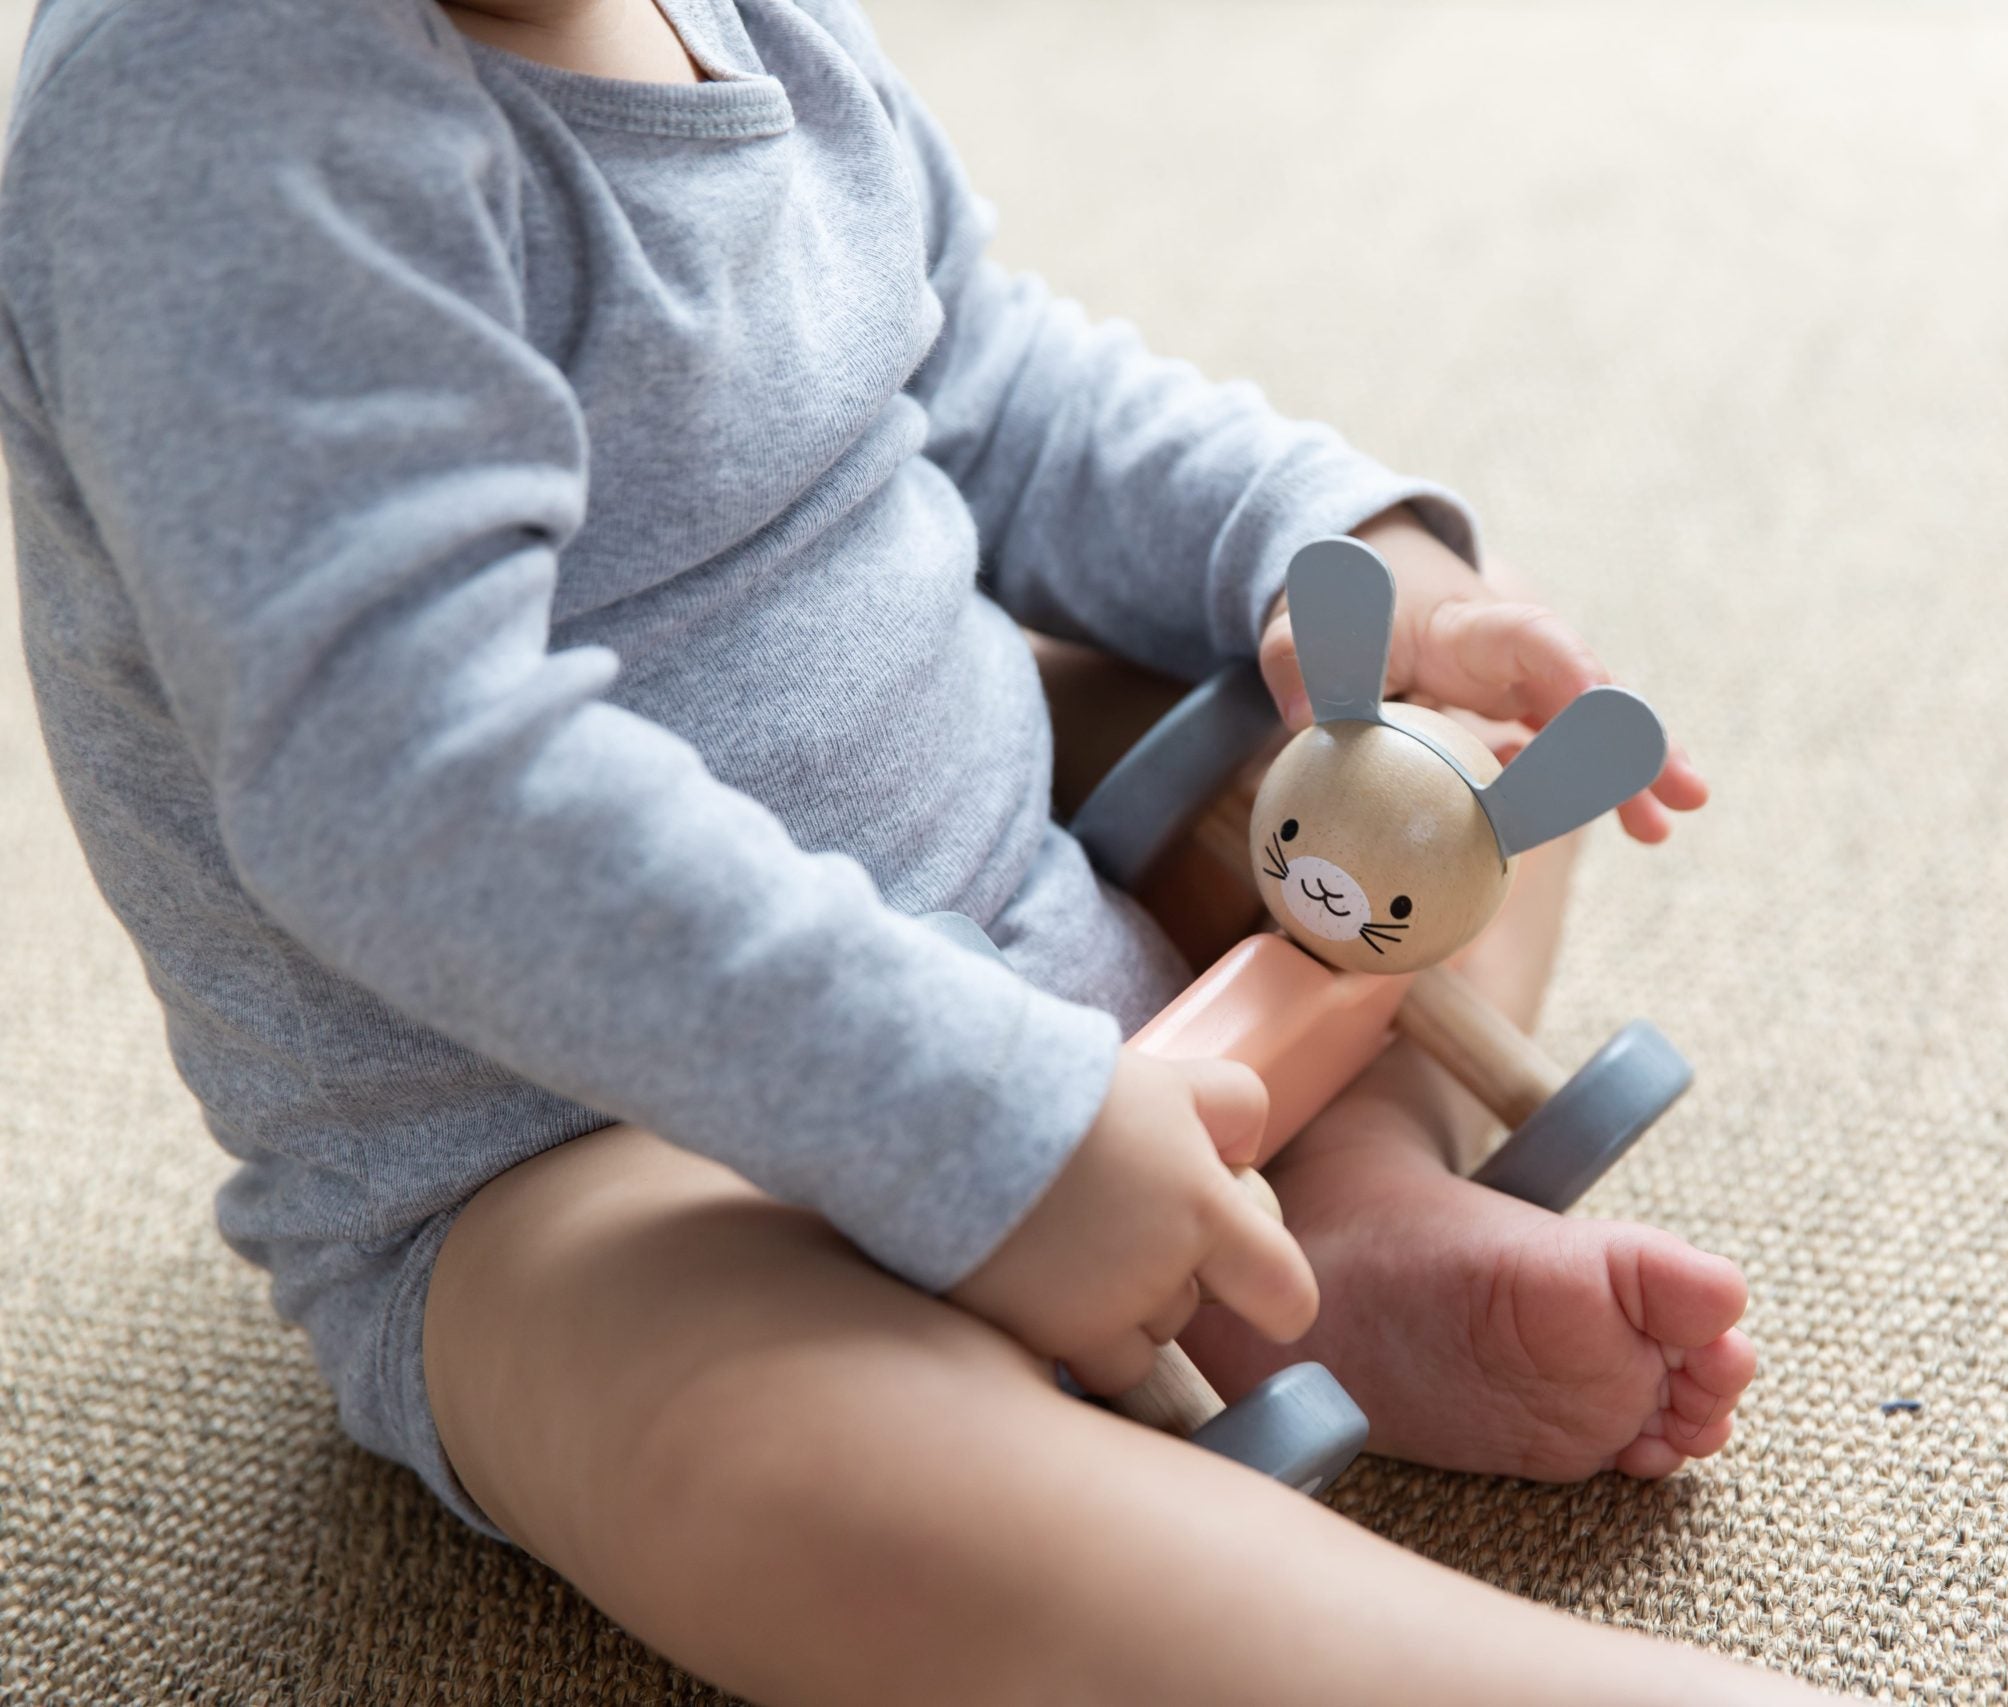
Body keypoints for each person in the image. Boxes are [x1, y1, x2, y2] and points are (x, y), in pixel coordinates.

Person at [2, 0, 1825, 1698]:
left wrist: (1326, 549)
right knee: (778, 1456)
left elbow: (986, 384)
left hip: (1028, 874)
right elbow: (407, 792)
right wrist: (985, 1130)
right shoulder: (216, 128)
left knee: (1445, 764)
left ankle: (1326, 1226)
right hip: (578, 1144)